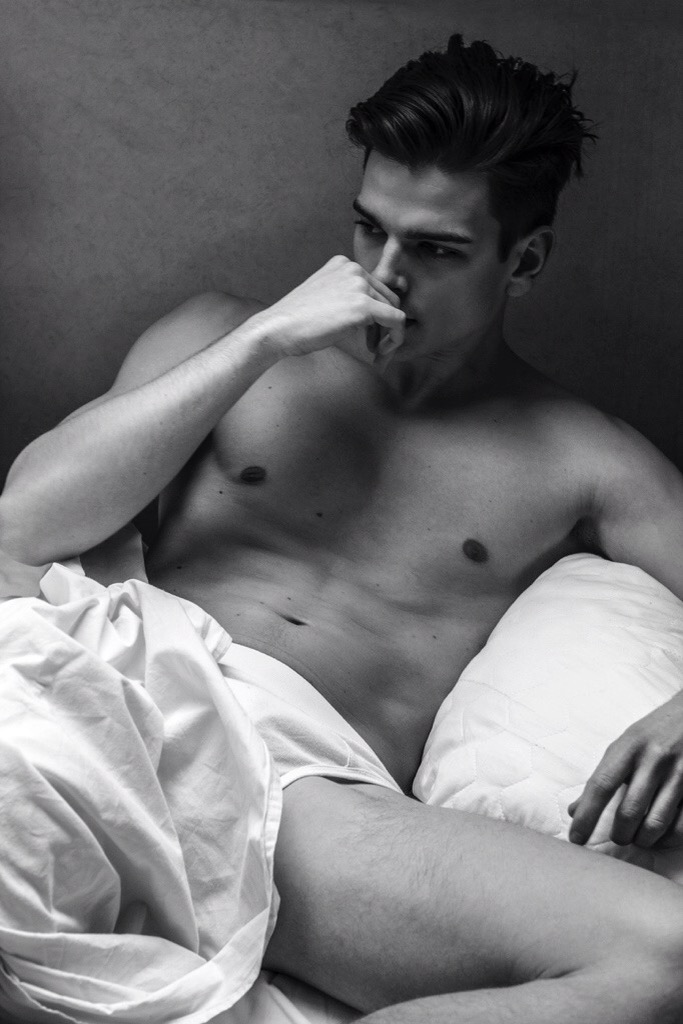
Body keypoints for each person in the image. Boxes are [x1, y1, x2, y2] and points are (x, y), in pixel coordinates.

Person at [2, 32, 683, 1023]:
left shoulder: (585, 458)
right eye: (368, 230)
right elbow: (25, 520)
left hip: (310, 802)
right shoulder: (224, 335)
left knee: (662, 956)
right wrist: (262, 339)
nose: (384, 272)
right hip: (116, 696)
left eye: (435, 250)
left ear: (523, 260)